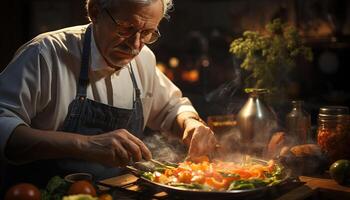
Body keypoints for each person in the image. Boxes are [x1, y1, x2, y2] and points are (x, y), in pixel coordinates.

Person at [0, 0, 217, 190]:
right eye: (125, 28)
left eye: (147, 32)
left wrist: (191, 124)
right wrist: (85, 145)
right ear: (95, 12)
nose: (135, 45)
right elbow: (3, 126)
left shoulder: (144, 60)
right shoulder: (45, 54)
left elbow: (172, 108)